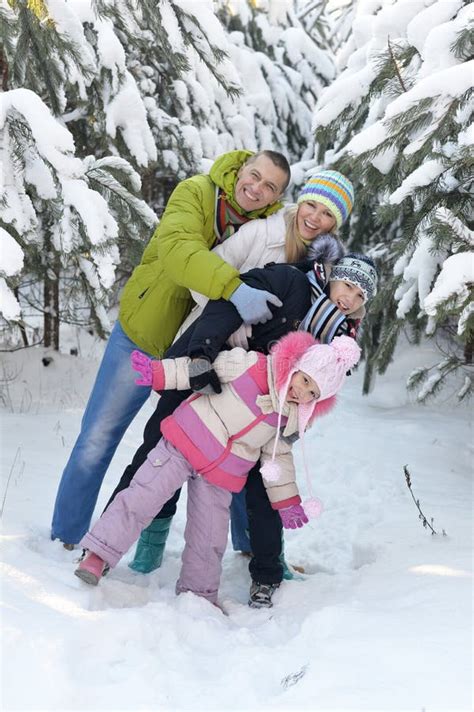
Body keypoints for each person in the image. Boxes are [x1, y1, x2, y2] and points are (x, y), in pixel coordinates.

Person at [105, 251, 378, 606]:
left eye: (360, 296)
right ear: (332, 276)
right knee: (158, 453)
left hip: (260, 411)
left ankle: (268, 571)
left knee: (266, 479)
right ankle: (121, 546)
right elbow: (223, 308)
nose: (349, 298)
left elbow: (318, 389)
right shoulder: (290, 282)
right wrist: (201, 355)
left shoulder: (338, 338)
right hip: (213, 369)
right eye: (347, 285)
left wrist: (291, 426)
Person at [51, 149, 291, 546]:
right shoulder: (196, 192)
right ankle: (66, 535)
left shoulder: (266, 228)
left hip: (199, 352)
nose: (256, 188)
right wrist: (234, 288)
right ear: (240, 169)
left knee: (233, 445)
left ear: (276, 197)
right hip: (144, 337)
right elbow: (180, 253)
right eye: (254, 175)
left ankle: (250, 550)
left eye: (270, 186)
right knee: (98, 438)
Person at [74, 333, 362, 611]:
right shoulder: (252, 365)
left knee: (209, 536)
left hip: (221, 475)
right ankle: (98, 555)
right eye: (305, 380)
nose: (303, 393)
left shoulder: (289, 419)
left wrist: (287, 502)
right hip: (184, 442)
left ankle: (197, 594)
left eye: (314, 393)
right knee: (141, 497)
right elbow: (200, 370)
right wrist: (159, 373)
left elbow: (279, 459)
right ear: (295, 365)